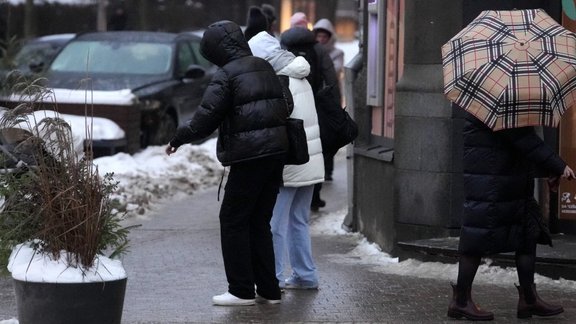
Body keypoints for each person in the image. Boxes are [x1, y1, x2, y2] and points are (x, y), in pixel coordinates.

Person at [165, 20, 290, 306]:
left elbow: (206, 117)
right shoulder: (264, 66)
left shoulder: (227, 75)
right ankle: (269, 290)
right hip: (276, 153)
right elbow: (287, 104)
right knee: (259, 221)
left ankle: (241, 290)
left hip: (250, 156)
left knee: (233, 219)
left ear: (217, 50)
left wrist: (178, 138)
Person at [447, 111, 575, 321]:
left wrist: (547, 169)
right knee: (476, 238)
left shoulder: (495, 102)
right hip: (491, 184)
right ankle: (460, 301)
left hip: (508, 181)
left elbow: (518, 142)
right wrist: (558, 165)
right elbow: (522, 138)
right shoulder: (498, 106)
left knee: (527, 233)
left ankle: (528, 298)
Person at [248, 31, 324, 290]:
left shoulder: (278, 81)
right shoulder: (300, 75)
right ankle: (306, 275)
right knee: (299, 221)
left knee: (273, 224)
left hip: (289, 163)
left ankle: (274, 276)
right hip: (309, 160)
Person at [281, 12, 341, 211]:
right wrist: (333, 105)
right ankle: (313, 196)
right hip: (314, 104)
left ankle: (288, 193)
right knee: (315, 149)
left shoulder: (284, 46)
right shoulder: (318, 49)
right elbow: (330, 78)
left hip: (287, 105)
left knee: (290, 146)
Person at [312, 18, 345, 182]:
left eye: (324, 37)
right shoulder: (312, 52)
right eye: (318, 36)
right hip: (316, 99)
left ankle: (328, 171)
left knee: (329, 135)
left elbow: (336, 69)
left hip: (331, 99)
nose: (321, 40)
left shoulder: (337, 53)